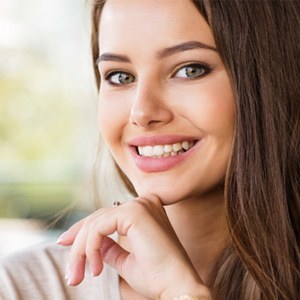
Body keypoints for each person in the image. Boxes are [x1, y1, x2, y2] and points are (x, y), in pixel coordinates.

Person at [0, 0, 299, 299]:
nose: (141, 112)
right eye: (120, 76)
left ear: (270, 78)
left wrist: (181, 292)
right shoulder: (20, 288)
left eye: (190, 70)